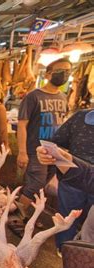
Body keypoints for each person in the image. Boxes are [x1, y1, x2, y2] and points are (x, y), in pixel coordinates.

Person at [11, 58, 72, 234]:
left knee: (42, 186)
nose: (65, 75)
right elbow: (22, 125)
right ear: (47, 74)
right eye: (60, 71)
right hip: (36, 150)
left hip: (56, 150)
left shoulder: (63, 97)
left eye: (68, 71)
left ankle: (29, 217)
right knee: (34, 185)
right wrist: (22, 152)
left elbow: (63, 122)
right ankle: (16, 218)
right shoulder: (33, 96)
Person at [52, 109, 94, 250]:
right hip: (72, 182)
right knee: (67, 220)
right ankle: (65, 252)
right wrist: (57, 157)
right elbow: (58, 142)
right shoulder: (80, 117)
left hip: (80, 178)